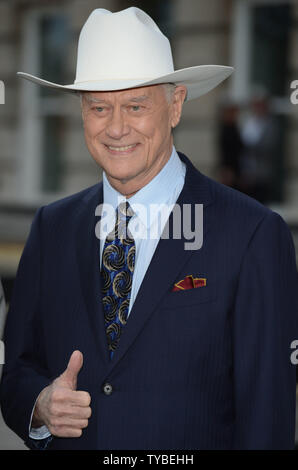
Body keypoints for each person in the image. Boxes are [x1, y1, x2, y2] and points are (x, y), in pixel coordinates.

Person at [0, 7, 297, 451]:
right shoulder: (51, 228)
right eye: (99, 107)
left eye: (136, 106)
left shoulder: (253, 234)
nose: (117, 128)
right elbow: (16, 372)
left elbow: (267, 421)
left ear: (175, 105)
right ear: (82, 112)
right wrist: (40, 405)